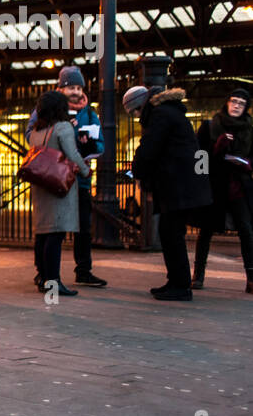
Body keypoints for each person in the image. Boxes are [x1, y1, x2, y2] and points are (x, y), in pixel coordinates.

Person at [123, 84, 212, 301]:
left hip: (178, 185)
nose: (136, 117)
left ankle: (180, 286)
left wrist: (136, 169)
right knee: (170, 233)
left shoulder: (160, 115)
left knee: (171, 234)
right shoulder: (169, 111)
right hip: (181, 184)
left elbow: (149, 149)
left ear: (140, 106)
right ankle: (175, 282)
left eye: (135, 112)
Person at [27, 66, 107, 286]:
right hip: (53, 177)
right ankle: (44, 273)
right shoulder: (45, 109)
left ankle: (82, 270)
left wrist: (87, 143)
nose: (76, 92)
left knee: (82, 227)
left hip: (78, 180)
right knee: (50, 228)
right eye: (71, 87)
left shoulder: (90, 113)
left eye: (79, 87)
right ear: (61, 89)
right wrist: (64, 132)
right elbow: (32, 136)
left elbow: (100, 143)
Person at [27, 91, 91, 297]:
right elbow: (72, 154)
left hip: (41, 185)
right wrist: (85, 170)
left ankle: (43, 278)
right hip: (58, 187)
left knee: (43, 235)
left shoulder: (36, 131)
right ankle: (53, 283)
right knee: (55, 236)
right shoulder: (63, 127)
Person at [193, 85, 253, 293]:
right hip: (215, 186)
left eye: (241, 104)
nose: (236, 106)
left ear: (246, 108)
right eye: (234, 101)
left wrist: (247, 164)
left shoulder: (249, 130)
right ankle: (198, 275)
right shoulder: (210, 126)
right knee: (206, 231)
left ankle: (251, 278)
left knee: (246, 230)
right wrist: (216, 149)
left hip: (238, 187)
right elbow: (199, 160)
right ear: (227, 103)